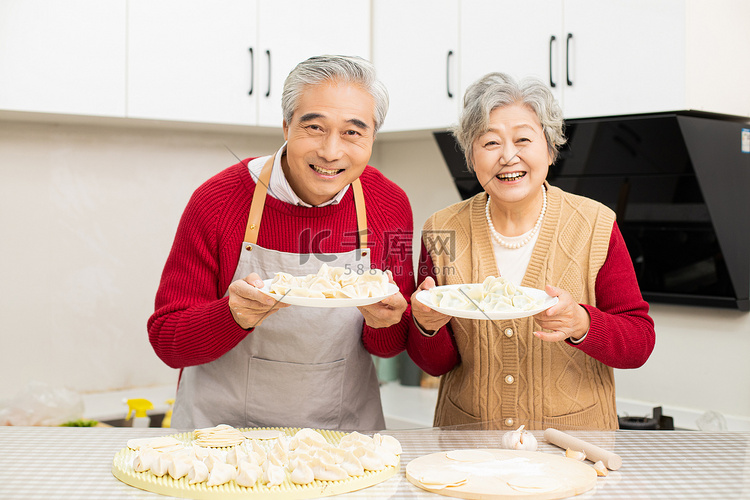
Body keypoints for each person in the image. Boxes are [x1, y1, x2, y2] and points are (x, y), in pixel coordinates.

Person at [148, 55, 415, 431]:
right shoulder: (217, 201)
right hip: (223, 442)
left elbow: (393, 343)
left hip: (340, 443)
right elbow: (168, 340)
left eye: (353, 132)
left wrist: (385, 323)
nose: (331, 151)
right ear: (287, 125)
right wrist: (233, 315)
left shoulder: (389, 205)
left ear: (373, 136)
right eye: (315, 127)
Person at [407, 73, 655, 430]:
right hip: (468, 442)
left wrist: (581, 323)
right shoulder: (441, 229)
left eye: (523, 139)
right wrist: (425, 327)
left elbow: (639, 341)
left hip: (574, 446)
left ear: (550, 148)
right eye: (490, 142)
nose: (508, 156)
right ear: (470, 155)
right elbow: (435, 364)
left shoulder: (595, 224)